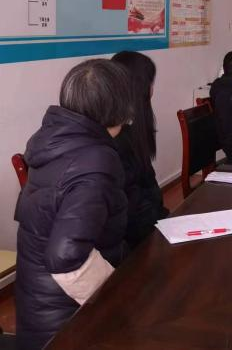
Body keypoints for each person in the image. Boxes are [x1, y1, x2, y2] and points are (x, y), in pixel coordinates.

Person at [14, 59, 133, 350]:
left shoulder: (54, 141)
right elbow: (66, 257)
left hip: (36, 311)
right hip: (66, 325)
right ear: (118, 107)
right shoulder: (95, 160)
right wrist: (118, 296)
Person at [111, 51, 169, 249]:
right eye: (151, 82)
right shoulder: (117, 140)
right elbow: (132, 211)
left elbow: (146, 189)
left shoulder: (129, 129)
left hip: (146, 226)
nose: (153, 89)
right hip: (131, 243)